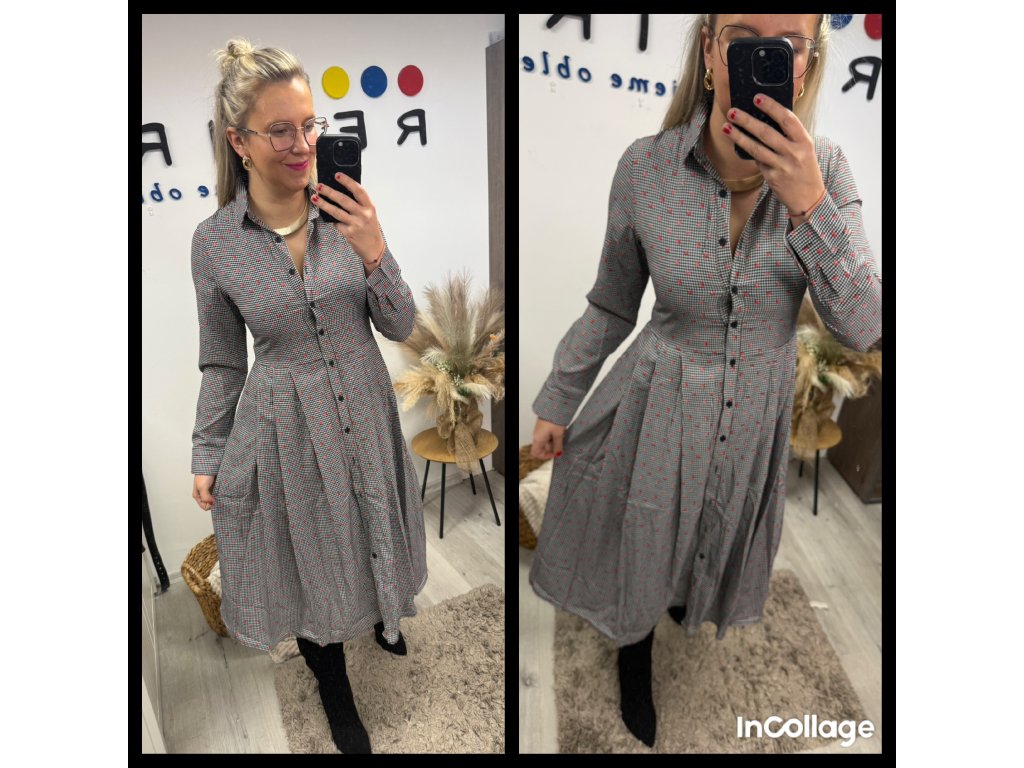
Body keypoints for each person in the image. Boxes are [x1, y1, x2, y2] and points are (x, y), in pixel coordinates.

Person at [528, 14, 881, 749]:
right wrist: (559, 399)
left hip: (757, 407)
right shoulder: (645, 168)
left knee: (716, 525)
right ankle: (633, 650)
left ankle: (687, 602)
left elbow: (862, 325)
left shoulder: (829, 171)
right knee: (646, 530)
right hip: (659, 397)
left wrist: (810, 205)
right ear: (712, 49)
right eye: (744, 37)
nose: (764, 56)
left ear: (809, 62)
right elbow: (611, 303)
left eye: (787, 45)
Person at [189, 38, 427, 754]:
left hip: (365, 402)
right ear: (239, 141)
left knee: (375, 521)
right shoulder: (215, 243)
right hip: (287, 424)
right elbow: (222, 361)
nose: (303, 145)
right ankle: (334, 690)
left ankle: (385, 617)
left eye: (310, 125)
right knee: (314, 559)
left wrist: (375, 249)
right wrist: (207, 452)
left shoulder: (347, 212)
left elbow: (401, 324)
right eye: (280, 130)